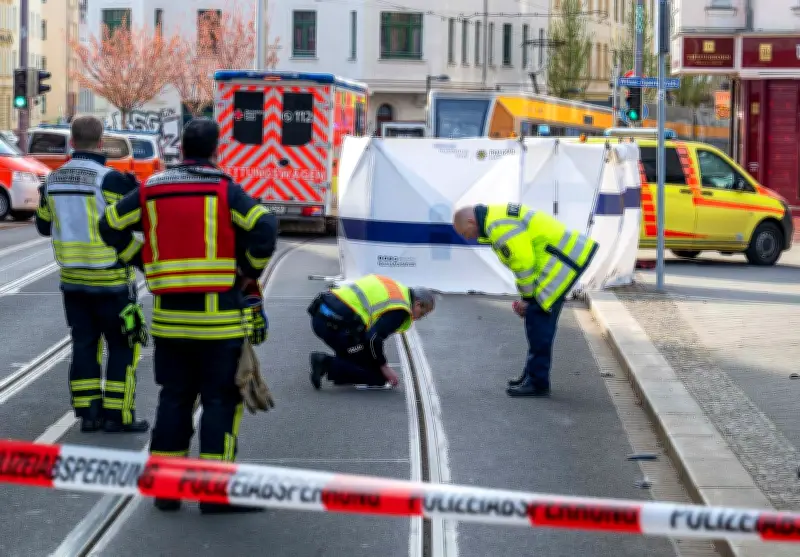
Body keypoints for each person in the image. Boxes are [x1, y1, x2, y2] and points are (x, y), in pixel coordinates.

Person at [98, 118, 278, 514]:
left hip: (169, 322)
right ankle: (214, 496)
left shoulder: (151, 188)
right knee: (219, 401)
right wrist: (248, 272)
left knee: (175, 399)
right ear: (216, 150)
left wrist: (143, 261)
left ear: (181, 149)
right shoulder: (224, 189)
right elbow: (265, 226)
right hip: (218, 322)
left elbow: (108, 224)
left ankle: (166, 490)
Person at [35, 115, 149, 434]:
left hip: (73, 282)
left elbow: (44, 226)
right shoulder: (110, 180)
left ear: (72, 143)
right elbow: (137, 220)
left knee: (84, 345)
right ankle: (118, 415)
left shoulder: (53, 181)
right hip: (112, 281)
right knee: (123, 347)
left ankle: (88, 413)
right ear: (102, 144)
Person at [453, 203, 598, 397]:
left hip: (558, 264)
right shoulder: (495, 218)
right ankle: (531, 374)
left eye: (465, 232)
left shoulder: (497, 227)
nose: (467, 237)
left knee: (538, 322)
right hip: (560, 258)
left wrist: (528, 299)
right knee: (537, 321)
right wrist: (527, 298)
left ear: (471, 221)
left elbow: (523, 264)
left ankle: (537, 382)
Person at [308, 274, 436, 389]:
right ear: (418, 304)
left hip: (321, 313)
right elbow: (373, 338)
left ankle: (343, 367)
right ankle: (326, 363)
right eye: (422, 314)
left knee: (360, 354)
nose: (419, 318)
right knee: (377, 376)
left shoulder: (395, 288)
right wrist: (383, 366)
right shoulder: (400, 311)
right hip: (335, 325)